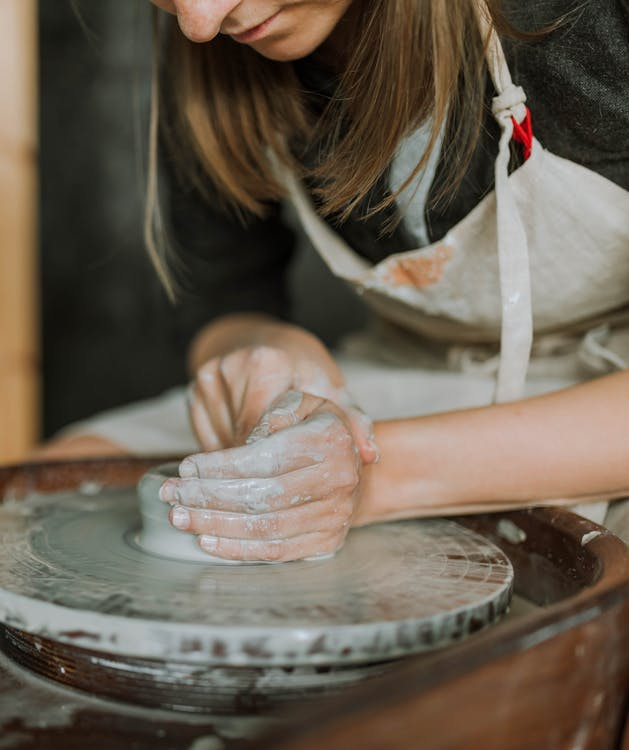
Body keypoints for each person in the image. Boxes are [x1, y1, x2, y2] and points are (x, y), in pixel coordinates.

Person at [37, 0, 629, 561]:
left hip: (601, 402)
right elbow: (224, 295)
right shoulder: (218, 33)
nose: (198, 21)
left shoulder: (583, 22)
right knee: (53, 484)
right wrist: (260, 354)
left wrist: (372, 475)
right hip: (405, 368)